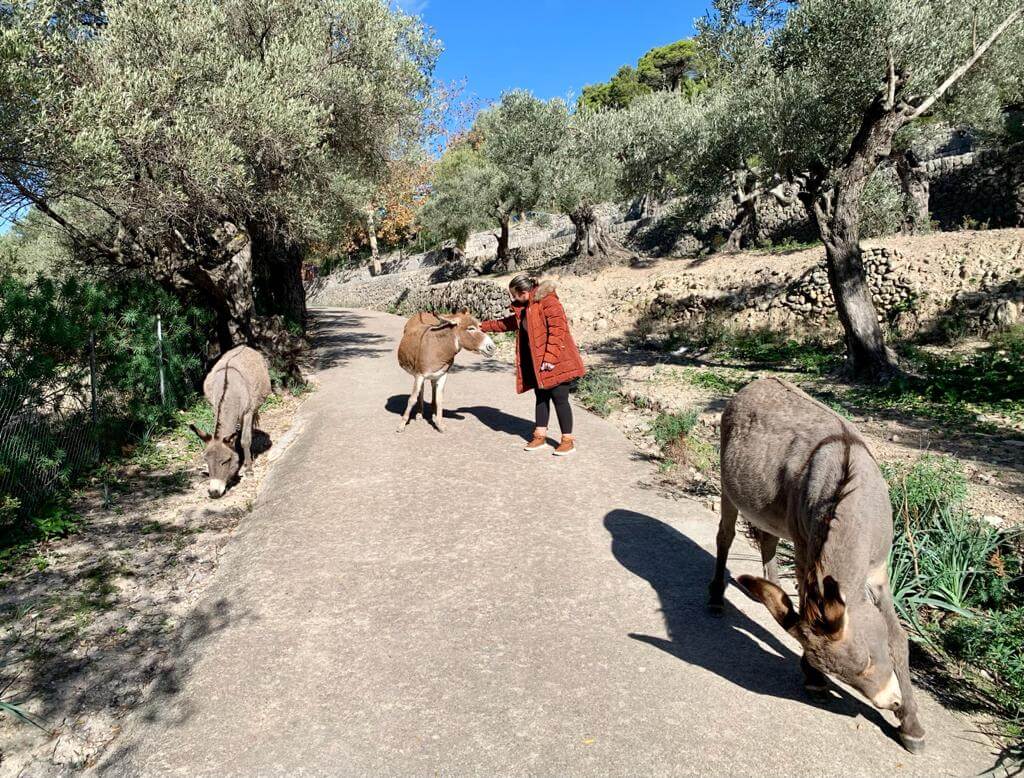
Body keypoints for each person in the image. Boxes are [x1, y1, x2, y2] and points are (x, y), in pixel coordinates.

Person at [481, 274, 586, 455]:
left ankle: (567, 440)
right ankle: (540, 436)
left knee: (560, 400)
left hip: (557, 361)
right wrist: (482, 326)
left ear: (524, 292)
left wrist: (550, 359)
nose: (513, 299)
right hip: (538, 363)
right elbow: (506, 323)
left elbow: (557, 331)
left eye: (514, 296)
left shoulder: (549, 302)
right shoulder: (525, 307)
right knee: (541, 398)